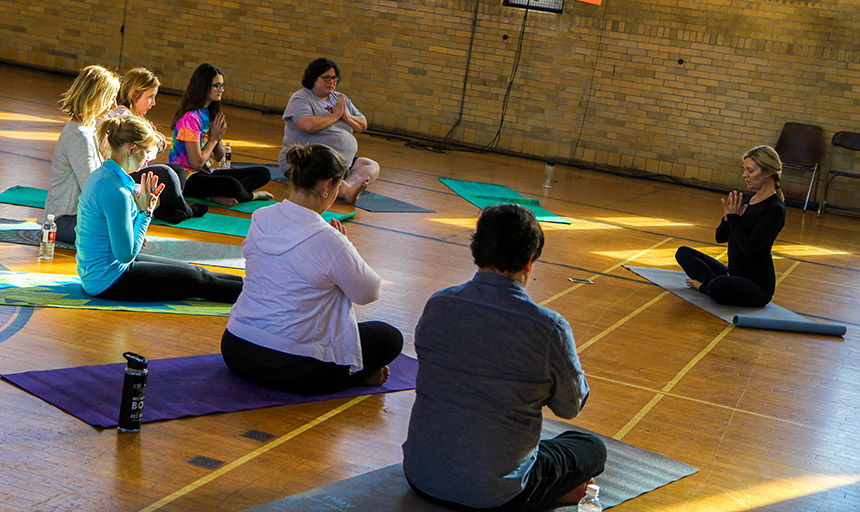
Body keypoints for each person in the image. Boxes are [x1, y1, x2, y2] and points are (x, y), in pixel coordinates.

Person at [402, 204, 606, 512]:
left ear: (477, 251)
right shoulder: (548, 327)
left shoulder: (438, 305)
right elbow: (570, 407)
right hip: (494, 496)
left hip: (420, 474)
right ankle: (554, 492)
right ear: (529, 261)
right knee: (591, 448)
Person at [221, 143, 403, 394]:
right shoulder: (328, 239)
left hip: (236, 350)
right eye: (338, 186)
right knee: (389, 338)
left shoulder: (261, 218)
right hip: (294, 367)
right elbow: (369, 292)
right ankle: (352, 378)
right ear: (327, 186)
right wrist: (345, 245)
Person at [76, 116, 243, 303]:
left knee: (195, 271)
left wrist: (138, 221)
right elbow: (125, 254)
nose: (147, 161)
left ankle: (251, 284)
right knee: (198, 281)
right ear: (132, 149)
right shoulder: (115, 190)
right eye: (146, 153)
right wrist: (146, 213)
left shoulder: (103, 175)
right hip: (110, 280)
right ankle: (261, 295)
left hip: (103, 272)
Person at [675, 145, 786, 307]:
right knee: (683, 252)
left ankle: (706, 287)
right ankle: (715, 284)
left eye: (750, 171)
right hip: (732, 273)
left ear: (768, 172)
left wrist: (734, 219)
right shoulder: (747, 200)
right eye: (745, 170)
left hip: (757, 287)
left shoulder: (774, 209)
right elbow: (720, 237)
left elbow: (749, 249)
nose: (745, 175)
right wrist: (727, 217)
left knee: (719, 285)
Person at [106, 67, 207, 223]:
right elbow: (148, 149)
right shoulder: (123, 116)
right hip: (123, 174)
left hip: (133, 170)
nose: (153, 103)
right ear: (134, 95)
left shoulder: (136, 117)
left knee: (178, 170)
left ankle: (164, 210)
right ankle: (186, 210)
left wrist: (154, 142)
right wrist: (154, 144)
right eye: (150, 97)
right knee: (166, 173)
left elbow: (157, 143)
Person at [169, 63, 272, 207]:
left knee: (263, 173)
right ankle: (251, 196)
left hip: (207, 173)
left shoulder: (210, 113)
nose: (221, 90)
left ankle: (215, 194)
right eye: (217, 86)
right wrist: (213, 139)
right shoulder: (190, 119)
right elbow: (196, 164)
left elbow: (219, 157)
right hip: (187, 177)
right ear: (203, 87)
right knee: (232, 184)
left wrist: (218, 138)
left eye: (222, 86)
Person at [277, 58, 378, 204]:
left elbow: (362, 125)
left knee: (371, 166)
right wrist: (335, 115)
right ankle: (342, 189)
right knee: (321, 170)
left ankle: (345, 187)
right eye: (326, 78)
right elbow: (307, 125)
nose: (331, 82)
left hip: (340, 163)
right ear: (313, 78)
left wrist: (346, 116)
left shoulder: (340, 99)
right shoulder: (301, 97)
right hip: (308, 161)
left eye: (334, 78)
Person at [45, 65, 120, 243]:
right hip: (63, 220)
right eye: (111, 98)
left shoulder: (89, 129)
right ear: (96, 97)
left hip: (76, 216)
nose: (114, 105)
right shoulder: (79, 135)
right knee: (118, 232)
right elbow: (92, 187)